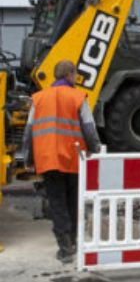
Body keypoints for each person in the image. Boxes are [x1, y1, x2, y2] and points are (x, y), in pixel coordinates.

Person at [21, 60, 100, 264]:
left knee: (57, 203)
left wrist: (28, 159)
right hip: (73, 158)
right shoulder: (77, 97)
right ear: (70, 75)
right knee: (73, 200)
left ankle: (64, 248)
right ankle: (74, 240)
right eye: (75, 75)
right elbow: (89, 129)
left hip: (48, 159)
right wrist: (94, 149)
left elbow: (28, 133)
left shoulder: (38, 99)